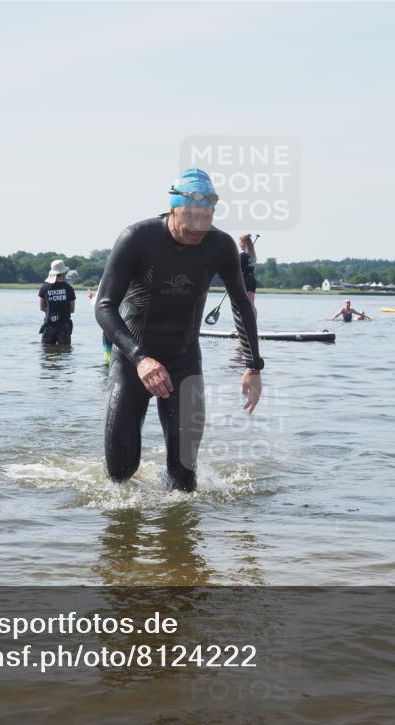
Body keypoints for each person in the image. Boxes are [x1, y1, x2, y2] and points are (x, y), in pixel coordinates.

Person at [95, 167, 263, 492]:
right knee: (119, 474)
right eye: (191, 219)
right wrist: (140, 358)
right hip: (132, 363)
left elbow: (241, 305)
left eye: (206, 219)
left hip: (184, 362)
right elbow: (104, 306)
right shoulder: (137, 238)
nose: (198, 228)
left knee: (184, 481)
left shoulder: (220, 245)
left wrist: (253, 366)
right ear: (173, 208)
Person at [39, 259, 76, 344]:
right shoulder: (69, 288)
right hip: (64, 325)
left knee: (47, 349)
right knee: (65, 350)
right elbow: (72, 309)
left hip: (49, 324)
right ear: (64, 273)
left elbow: (41, 308)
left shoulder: (44, 287)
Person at [238, 234, 258, 310]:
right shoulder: (253, 256)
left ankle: (246, 317)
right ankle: (254, 317)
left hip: (244, 280)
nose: (239, 244)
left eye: (240, 242)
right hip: (252, 280)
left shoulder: (242, 256)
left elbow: (236, 269)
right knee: (251, 304)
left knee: (243, 305)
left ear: (244, 243)